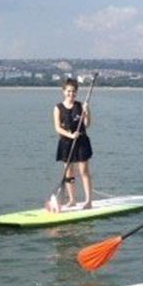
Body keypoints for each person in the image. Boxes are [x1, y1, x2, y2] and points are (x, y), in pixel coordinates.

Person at [53, 78, 93, 209]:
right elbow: (58, 128)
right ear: (63, 91)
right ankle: (72, 200)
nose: (71, 94)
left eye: (74, 92)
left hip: (81, 142)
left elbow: (86, 124)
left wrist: (87, 112)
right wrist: (70, 135)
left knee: (84, 171)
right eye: (69, 91)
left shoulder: (81, 106)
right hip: (66, 142)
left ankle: (88, 201)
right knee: (69, 173)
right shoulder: (58, 108)